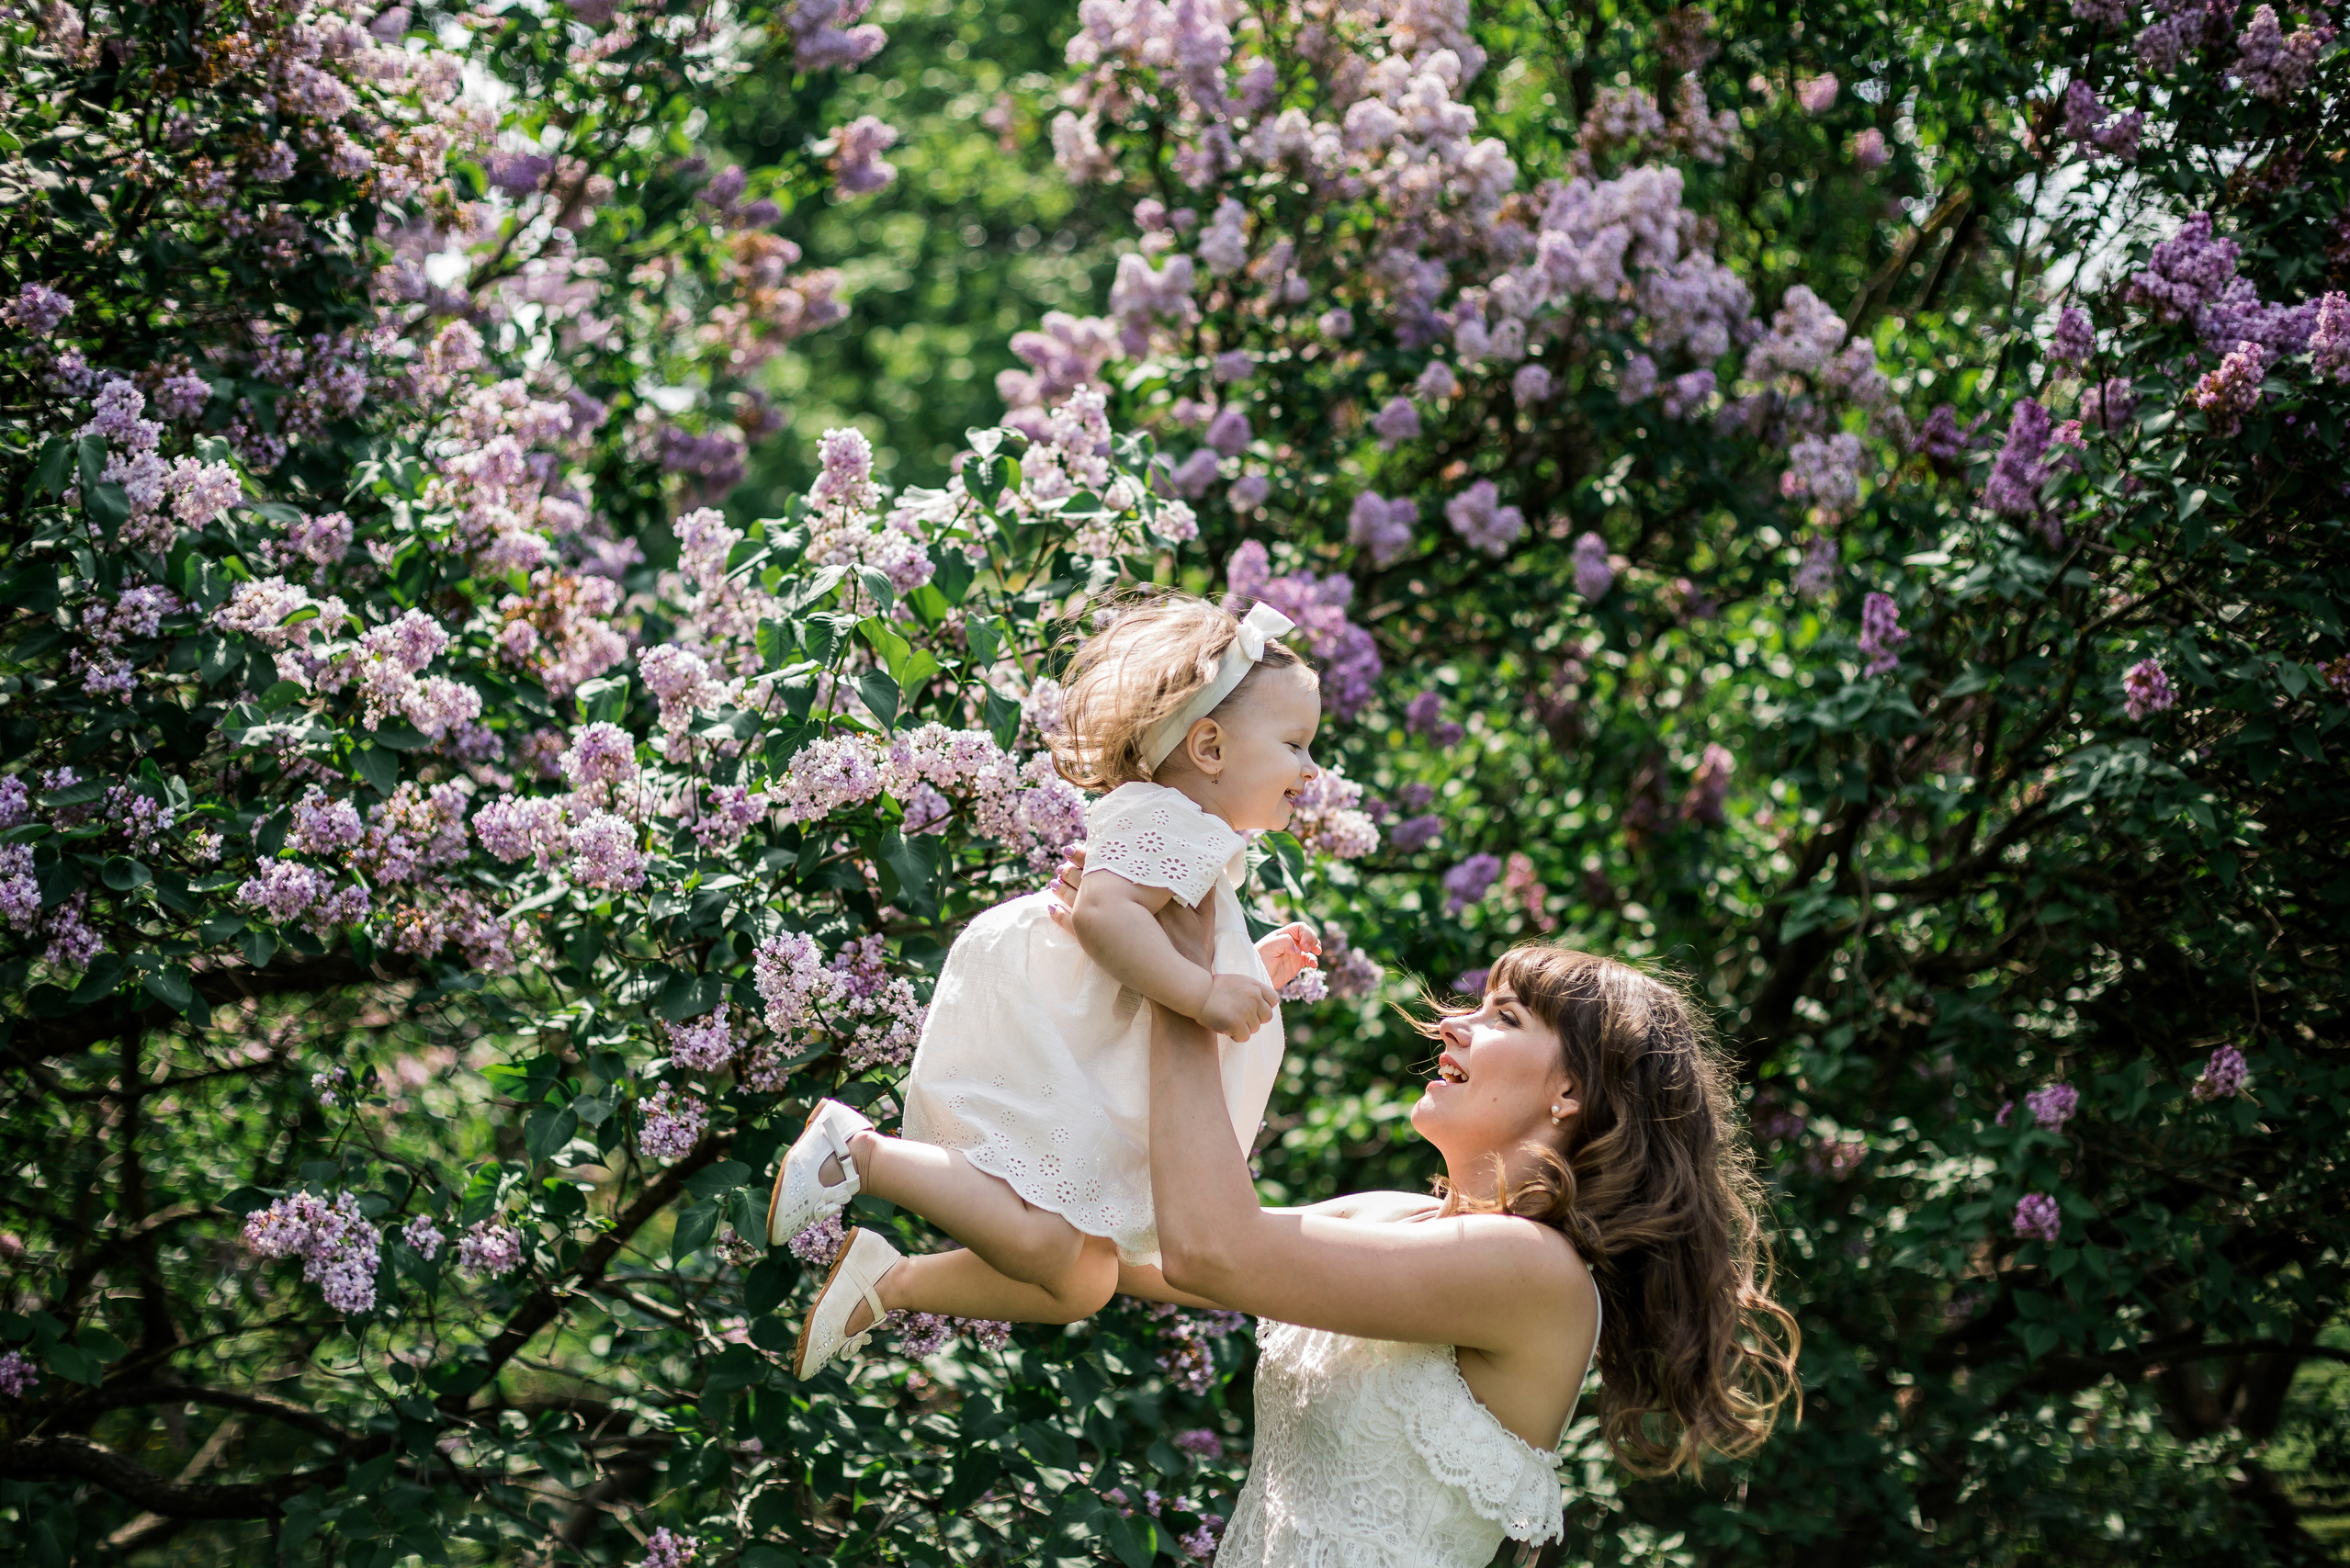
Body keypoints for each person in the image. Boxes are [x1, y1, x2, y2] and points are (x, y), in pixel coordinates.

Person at [1136, 896, 1802, 1567]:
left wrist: (1183, 983)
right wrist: (1165, 981)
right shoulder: (1388, 1216)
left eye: (1504, 1017)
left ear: (1570, 1091)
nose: (1451, 1023)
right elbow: (1139, 1248)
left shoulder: (1532, 1266)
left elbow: (1209, 1250)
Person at [765, 592, 1328, 1378]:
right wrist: (1204, 996)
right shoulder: (1171, 820)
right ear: (1209, 746)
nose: (1311, 768)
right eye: (1296, 744)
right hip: (1057, 1043)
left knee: (1082, 1280)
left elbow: (1162, 940)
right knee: (1051, 1246)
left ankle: (883, 1281)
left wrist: (1247, 967)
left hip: (1087, 1047)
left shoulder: (1189, 829)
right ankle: (857, 1154)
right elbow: (1104, 915)